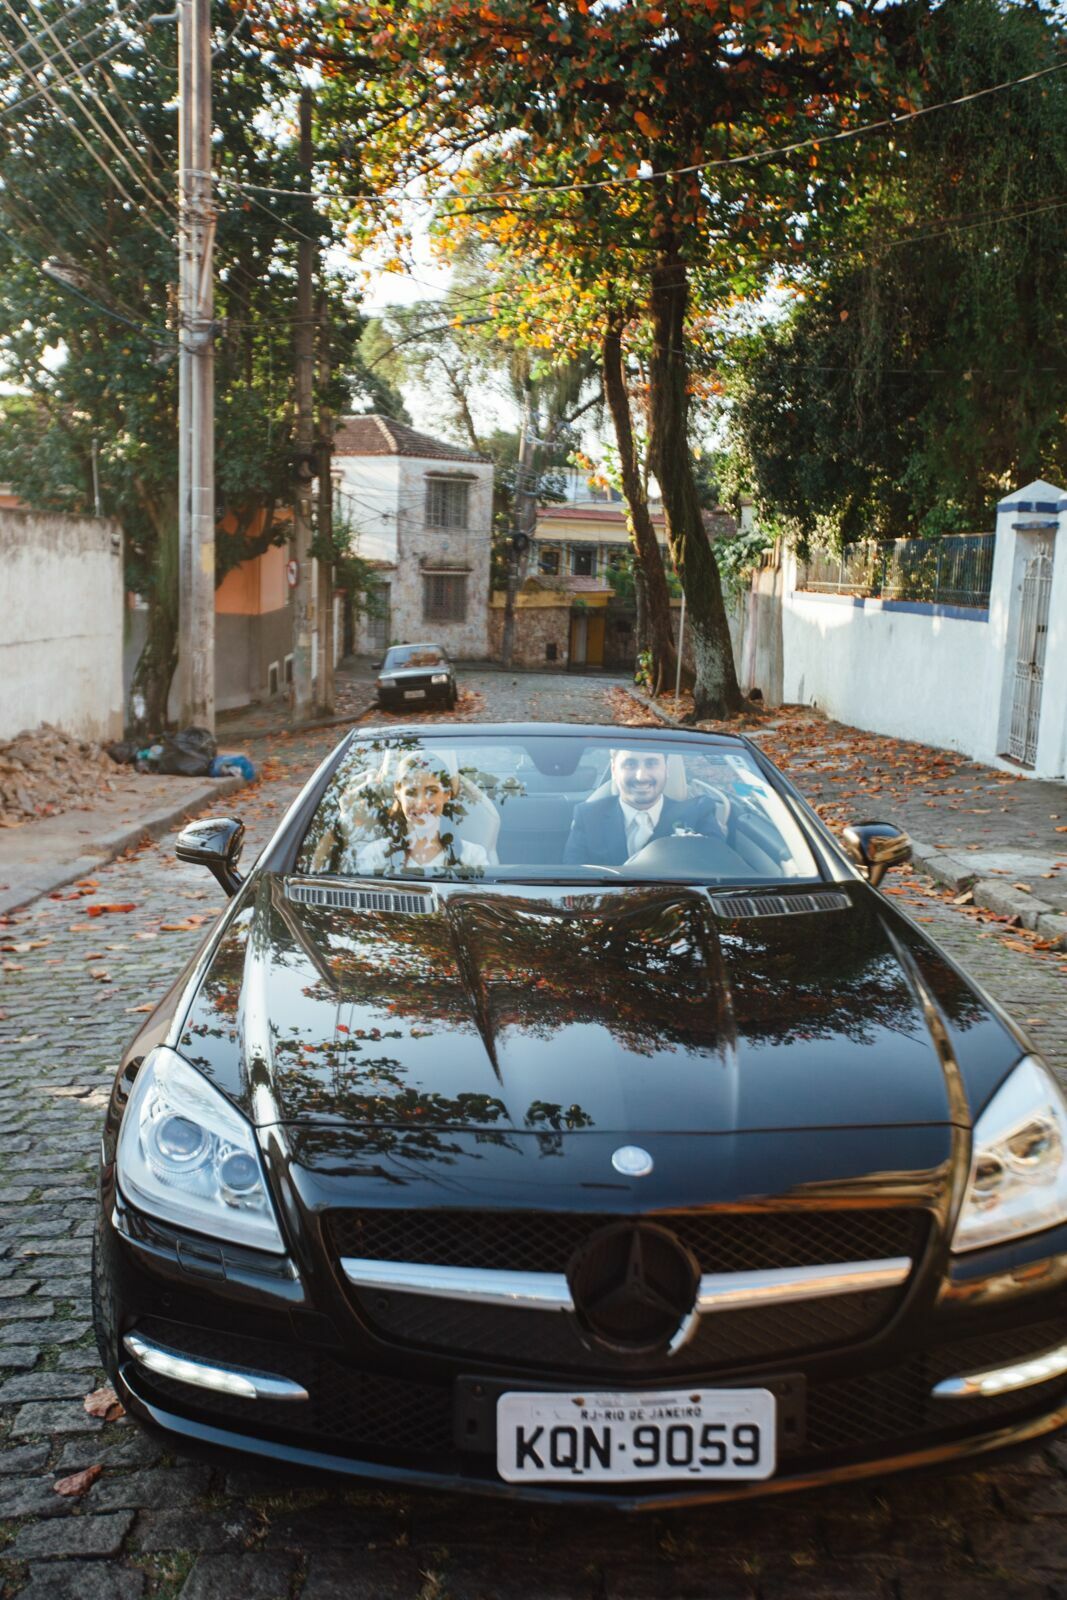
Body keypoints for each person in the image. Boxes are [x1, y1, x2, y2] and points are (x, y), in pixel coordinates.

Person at [563, 747, 723, 867]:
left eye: (651, 763)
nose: (641, 777)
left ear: (666, 769)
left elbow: (720, 868)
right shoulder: (588, 816)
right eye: (630, 764)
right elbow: (573, 879)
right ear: (614, 769)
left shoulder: (698, 813)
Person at [342, 750, 490, 878]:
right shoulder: (375, 855)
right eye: (411, 793)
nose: (421, 804)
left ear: (447, 794)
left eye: (431, 791)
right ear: (398, 793)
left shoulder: (472, 857)